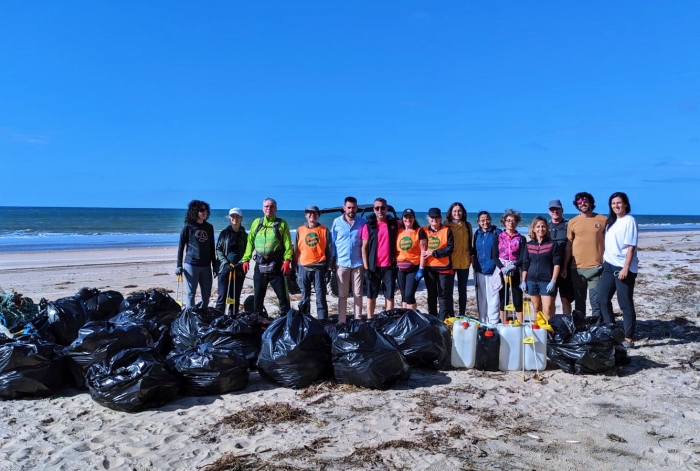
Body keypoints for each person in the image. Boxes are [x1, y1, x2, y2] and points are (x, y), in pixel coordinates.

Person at [599, 192, 639, 348]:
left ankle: (629, 337)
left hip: (624, 267)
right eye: (613, 203)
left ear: (626, 204)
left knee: (625, 303)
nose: (616, 206)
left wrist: (626, 268)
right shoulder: (611, 222)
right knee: (602, 299)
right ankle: (612, 331)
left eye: (619, 203)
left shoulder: (630, 221)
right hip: (608, 265)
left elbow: (631, 247)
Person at [241, 198, 294, 317]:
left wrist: (287, 260)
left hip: (277, 266)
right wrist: (246, 259)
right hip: (259, 266)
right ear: (262, 208)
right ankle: (258, 320)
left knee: (283, 297)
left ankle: (285, 320)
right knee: (258, 296)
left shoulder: (282, 224)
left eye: (271, 206)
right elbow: (250, 242)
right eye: (266, 206)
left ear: (276, 209)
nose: (268, 208)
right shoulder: (257, 223)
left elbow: (287, 244)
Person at [566, 191, 610, 320]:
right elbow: (569, 245)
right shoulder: (573, 222)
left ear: (590, 202)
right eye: (579, 202)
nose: (583, 203)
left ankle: (597, 325)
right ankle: (581, 327)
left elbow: (610, 241)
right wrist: (565, 266)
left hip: (596, 267)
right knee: (579, 302)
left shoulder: (603, 220)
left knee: (595, 301)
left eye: (585, 201)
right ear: (576, 205)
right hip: (577, 268)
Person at [361, 198, 399, 318]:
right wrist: (366, 269)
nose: (380, 210)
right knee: (371, 295)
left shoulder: (394, 224)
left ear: (386, 209)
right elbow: (364, 248)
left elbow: (410, 225)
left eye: (382, 207)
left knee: (389, 296)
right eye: (377, 208)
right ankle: (370, 319)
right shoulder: (369, 226)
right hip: (373, 267)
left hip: (389, 266)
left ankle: (387, 320)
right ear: (374, 210)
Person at [331, 196, 366, 323]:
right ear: (344, 208)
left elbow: (365, 242)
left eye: (354, 207)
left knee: (358, 294)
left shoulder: (362, 222)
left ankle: (358, 320)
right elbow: (333, 243)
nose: (351, 210)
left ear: (357, 208)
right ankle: (342, 321)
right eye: (349, 207)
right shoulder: (336, 222)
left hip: (358, 263)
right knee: (342, 294)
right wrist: (332, 260)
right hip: (341, 263)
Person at [176, 200, 217, 308]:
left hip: (206, 265)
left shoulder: (209, 227)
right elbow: (181, 248)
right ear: (195, 212)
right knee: (190, 294)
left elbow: (212, 247)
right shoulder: (188, 227)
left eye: (206, 210)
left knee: (206, 296)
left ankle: (202, 316)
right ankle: (190, 319)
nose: (205, 212)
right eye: (202, 210)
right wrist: (179, 266)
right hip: (191, 264)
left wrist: (215, 264)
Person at [295, 205, 332, 319]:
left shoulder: (324, 230)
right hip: (303, 268)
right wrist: (294, 267)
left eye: (315, 213)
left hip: (319, 268)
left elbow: (329, 250)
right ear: (306, 215)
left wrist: (329, 269)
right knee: (305, 298)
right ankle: (305, 321)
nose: (312, 215)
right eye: (310, 213)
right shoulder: (300, 230)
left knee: (320, 297)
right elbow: (296, 249)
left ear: (318, 215)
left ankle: (323, 322)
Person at [521, 216, 562, 320]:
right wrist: (523, 281)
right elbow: (525, 264)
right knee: (536, 308)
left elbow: (557, 264)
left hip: (547, 281)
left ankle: (548, 334)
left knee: (547, 309)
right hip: (531, 280)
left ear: (546, 228)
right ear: (534, 229)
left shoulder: (553, 244)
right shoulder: (528, 245)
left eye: (543, 226)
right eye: (538, 226)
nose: (541, 229)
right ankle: (538, 332)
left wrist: (553, 281)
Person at [420, 208, 454, 320]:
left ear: (440, 218)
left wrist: (433, 253)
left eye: (437, 217)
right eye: (432, 217)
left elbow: (450, 249)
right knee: (431, 294)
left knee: (443, 296)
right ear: (428, 218)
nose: (434, 219)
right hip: (429, 268)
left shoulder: (447, 230)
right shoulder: (423, 230)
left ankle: (442, 319)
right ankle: (433, 317)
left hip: (444, 267)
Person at [215, 208, 247, 315]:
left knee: (235, 297)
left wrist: (241, 262)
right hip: (224, 268)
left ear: (241, 218)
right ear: (230, 218)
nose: (235, 219)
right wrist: (226, 263)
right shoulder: (224, 233)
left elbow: (248, 251)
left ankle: (232, 318)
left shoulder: (244, 235)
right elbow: (218, 249)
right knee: (222, 296)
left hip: (239, 269)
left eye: (237, 216)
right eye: (233, 216)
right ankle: (218, 319)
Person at [472, 211, 501, 324]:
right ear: (478, 222)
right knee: (482, 297)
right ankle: (482, 321)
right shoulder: (477, 234)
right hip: (479, 270)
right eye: (482, 220)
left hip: (493, 270)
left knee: (493, 298)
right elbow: (474, 250)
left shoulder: (496, 232)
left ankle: (493, 322)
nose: (485, 222)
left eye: (487, 219)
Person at [445, 202, 473, 317]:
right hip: (450, 262)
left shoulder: (467, 225)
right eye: (455, 211)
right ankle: (451, 315)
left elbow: (470, 243)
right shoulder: (446, 225)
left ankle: (462, 314)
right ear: (451, 213)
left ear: (463, 212)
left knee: (462, 291)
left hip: (464, 262)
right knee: (449, 291)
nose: (457, 213)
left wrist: (471, 256)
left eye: (459, 211)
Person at [498, 209, 526, 323]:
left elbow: (523, 257)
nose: (511, 223)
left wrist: (513, 266)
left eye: (514, 221)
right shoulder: (499, 237)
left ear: (517, 222)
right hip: (502, 271)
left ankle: (520, 323)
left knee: (517, 297)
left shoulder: (521, 238)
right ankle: (503, 323)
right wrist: (502, 267)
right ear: (504, 222)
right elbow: (494, 256)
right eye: (508, 220)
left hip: (515, 270)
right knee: (503, 298)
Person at [548, 199, 573, 314]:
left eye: (557, 209)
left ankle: (567, 324)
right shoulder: (545, 226)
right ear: (549, 212)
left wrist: (565, 267)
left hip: (565, 269)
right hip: (549, 269)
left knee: (565, 299)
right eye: (552, 209)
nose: (555, 211)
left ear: (562, 210)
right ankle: (551, 325)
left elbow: (570, 246)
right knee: (550, 299)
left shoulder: (568, 225)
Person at [396, 208, 424, 309]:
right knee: (403, 295)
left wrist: (421, 269)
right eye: (406, 217)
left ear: (414, 218)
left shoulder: (419, 231)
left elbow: (423, 251)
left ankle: (412, 318)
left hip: (413, 267)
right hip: (400, 268)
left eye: (411, 217)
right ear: (402, 218)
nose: (408, 219)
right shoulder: (399, 231)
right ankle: (405, 318)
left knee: (409, 295)